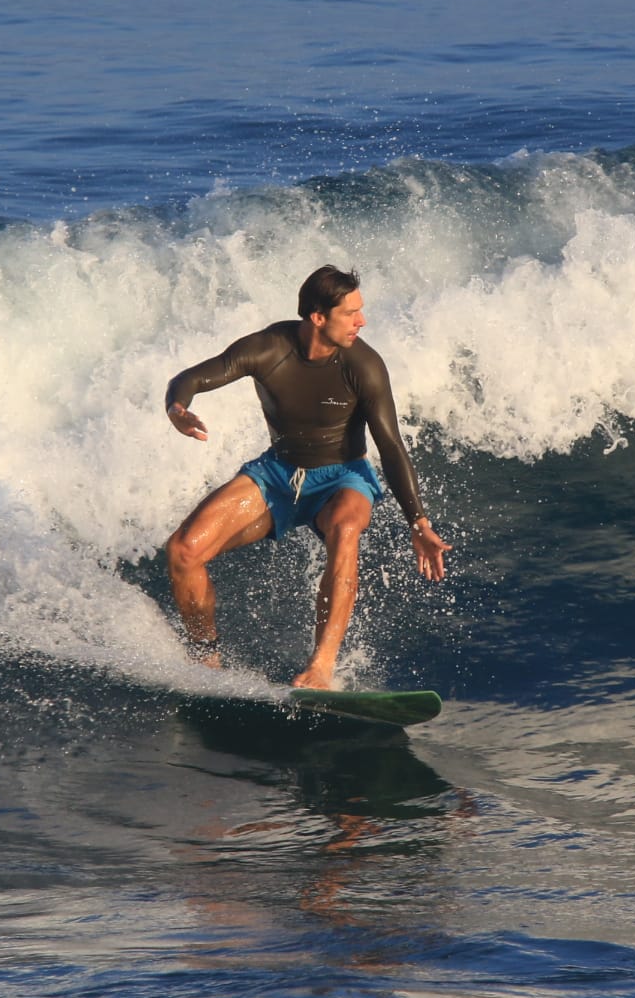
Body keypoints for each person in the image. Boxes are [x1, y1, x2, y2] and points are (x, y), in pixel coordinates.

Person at [164, 265, 450, 689]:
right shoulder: (267, 348)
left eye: (361, 311)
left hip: (343, 478)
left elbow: (390, 446)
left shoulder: (364, 365)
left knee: (346, 527)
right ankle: (205, 659)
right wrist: (178, 409)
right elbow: (190, 378)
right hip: (277, 473)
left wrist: (419, 522)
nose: (362, 321)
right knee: (183, 552)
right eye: (350, 313)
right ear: (318, 317)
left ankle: (321, 667)